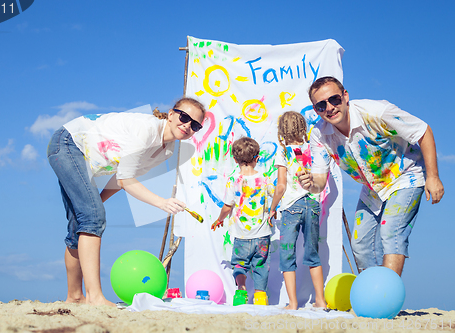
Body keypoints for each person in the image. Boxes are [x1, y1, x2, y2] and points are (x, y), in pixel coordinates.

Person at [47, 97, 206, 306]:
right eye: (183, 116)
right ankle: (94, 297)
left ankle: (75, 297)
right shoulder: (146, 131)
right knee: (92, 219)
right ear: (171, 114)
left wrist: (97, 201)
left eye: (195, 124)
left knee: (82, 222)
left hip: (76, 153)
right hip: (68, 143)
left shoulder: (165, 151)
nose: (187, 125)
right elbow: (125, 180)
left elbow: (120, 178)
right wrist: (161, 202)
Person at [298, 76, 444, 276]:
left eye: (334, 99)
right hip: (373, 186)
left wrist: (433, 177)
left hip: (405, 175)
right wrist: (310, 184)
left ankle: (385, 301)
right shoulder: (319, 135)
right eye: (321, 105)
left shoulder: (376, 112)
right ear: (316, 110)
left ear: (345, 96)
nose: (330, 108)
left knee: (391, 232)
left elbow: (423, 131)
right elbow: (320, 182)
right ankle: (372, 296)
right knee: (360, 243)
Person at [268, 111, 326, 310]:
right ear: (303, 127)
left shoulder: (283, 151)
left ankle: (292, 303)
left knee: (287, 255)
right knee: (313, 254)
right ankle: (320, 300)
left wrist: (272, 208)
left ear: (282, 130)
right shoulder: (313, 149)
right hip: (313, 204)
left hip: (292, 206)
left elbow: (281, 186)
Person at [211, 137, 273, 298]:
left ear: (235, 159)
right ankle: (260, 297)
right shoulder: (265, 178)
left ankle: (241, 290)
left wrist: (219, 219)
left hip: (241, 235)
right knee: (260, 266)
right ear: (257, 158)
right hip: (263, 235)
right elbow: (276, 195)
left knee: (239, 264)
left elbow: (227, 206)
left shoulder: (233, 180)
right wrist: (273, 212)